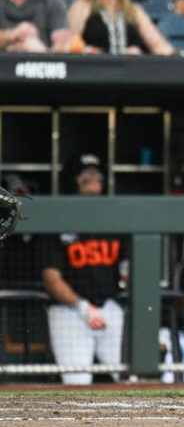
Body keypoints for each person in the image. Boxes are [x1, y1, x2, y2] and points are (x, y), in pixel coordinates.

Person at [38, 154, 129, 385]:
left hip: (109, 307)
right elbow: (51, 278)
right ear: (72, 181)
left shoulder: (115, 219)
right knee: (76, 381)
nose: (93, 179)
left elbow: (128, 267)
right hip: (70, 311)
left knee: (132, 376)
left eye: (97, 175)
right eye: (85, 176)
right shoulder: (56, 219)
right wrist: (82, 307)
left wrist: (127, 282)